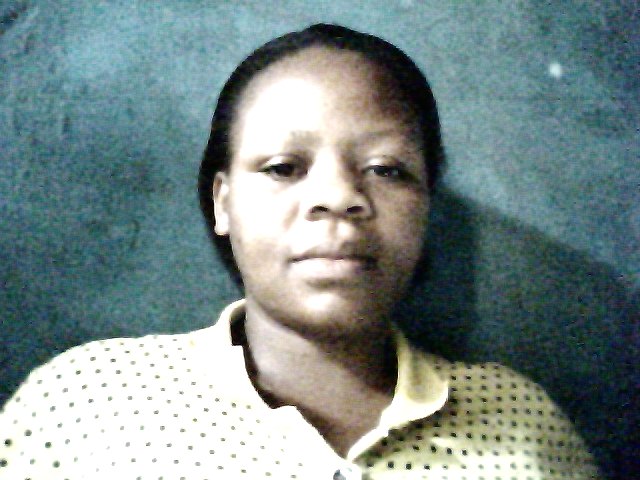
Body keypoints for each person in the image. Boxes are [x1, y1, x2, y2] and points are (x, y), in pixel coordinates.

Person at [0, 24, 600, 479]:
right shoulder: (85, 404)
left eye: (386, 169)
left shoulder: (522, 424)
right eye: (284, 167)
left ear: (426, 206)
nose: (338, 197)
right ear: (223, 202)